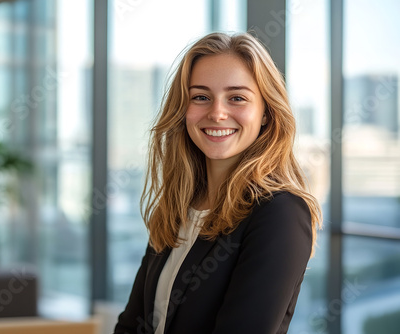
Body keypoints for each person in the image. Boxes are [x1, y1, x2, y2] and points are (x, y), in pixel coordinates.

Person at [113, 32, 322, 334]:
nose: (217, 112)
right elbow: (132, 324)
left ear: (266, 113)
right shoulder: (179, 204)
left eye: (237, 98)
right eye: (201, 97)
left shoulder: (280, 213)